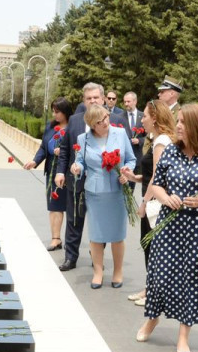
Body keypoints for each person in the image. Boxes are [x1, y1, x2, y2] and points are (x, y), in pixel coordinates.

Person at [138, 103, 198, 352]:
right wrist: (166, 198)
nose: (177, 126)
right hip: (169, 224)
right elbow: (156, 184)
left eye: (182, 122)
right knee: (159, 274)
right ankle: (152, 318)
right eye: (177, 121)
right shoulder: (170, 151)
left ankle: (183, 336)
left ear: (196, 126)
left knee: (192, 280)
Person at [54, 82, 126, 272]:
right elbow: (64, 151)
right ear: (84, 101)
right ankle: (70, 257)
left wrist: (126, 180)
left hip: (105, 184)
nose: (93, 101)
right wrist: (61, 171)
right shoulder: (75, 121)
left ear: (103, 99)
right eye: (89, 98)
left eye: (96, 97)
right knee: (74, 220)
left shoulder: (117, 121)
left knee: (100, 221)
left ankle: (97, 259)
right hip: (77, 182)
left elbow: (128, 155)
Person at [69, 103, 136, 288]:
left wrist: (126, 171)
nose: (105, 122)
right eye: (99, 121)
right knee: (96, 235)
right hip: (95, 192)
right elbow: (80, 162)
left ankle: (118, 271)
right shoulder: (83, 139)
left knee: (117, 234)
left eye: (105, 118)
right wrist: (76, 167)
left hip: (118, 190)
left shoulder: (120, 134)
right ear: (92, 124)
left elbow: (131, 159)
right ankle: (98, 272)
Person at [123, 99, 175, 307]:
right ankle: (150, 289)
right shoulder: (160, 139)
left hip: (155, 201)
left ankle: (154, 294)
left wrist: (143, 203)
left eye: (144, 116)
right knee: (151, 247)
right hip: (154, 196)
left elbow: (157, 175)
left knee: (151, 246)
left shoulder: (161, 141)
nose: (142, 119)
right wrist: (135, 178)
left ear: (154, 118)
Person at [24, 96, 72, 251]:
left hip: (65, 172)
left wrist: (63, 151)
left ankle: (64, 239)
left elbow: (77, 148)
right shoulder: (50, 127)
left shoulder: (72, 128)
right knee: (53, 205)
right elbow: (43, 148)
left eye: (57, 112)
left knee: (63, 206)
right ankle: (55, 238)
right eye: (53, 111)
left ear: (65, 112)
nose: (55, 115)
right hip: (51, 169)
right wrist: (34, 161)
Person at [121, 91, 142, 155]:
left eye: (128, 101)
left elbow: (149, 135)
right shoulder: (119, 117)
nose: (126, 104)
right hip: (125, 155)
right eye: (125, 102)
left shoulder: (143, 116)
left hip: (139, 155)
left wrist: (139, 140)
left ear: (135, 101)